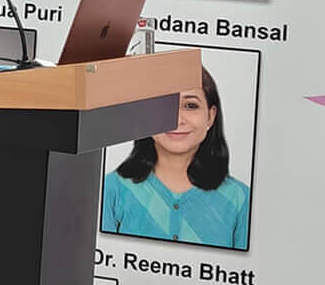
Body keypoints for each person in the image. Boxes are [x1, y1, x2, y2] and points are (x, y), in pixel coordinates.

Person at [100, 67, 250, 249]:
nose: (177, 119)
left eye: (190, 106)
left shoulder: (240, 199)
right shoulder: (111, 189)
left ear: (210, 117)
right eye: (164, 105)